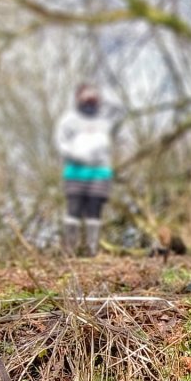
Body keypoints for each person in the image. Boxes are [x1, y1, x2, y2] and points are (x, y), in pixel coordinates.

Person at [54, 84, 116, 257]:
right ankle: (69, 250)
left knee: (94, 211)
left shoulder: (105, 119)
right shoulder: (69, 120)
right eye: (85, 96)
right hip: (76, 171)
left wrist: (102, 95)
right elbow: (60, 143)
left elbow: (120, 108)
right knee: (73, 208)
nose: (89, 99)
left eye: (93, 96)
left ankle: (91, 249)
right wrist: (76, 155)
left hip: (100, 172)